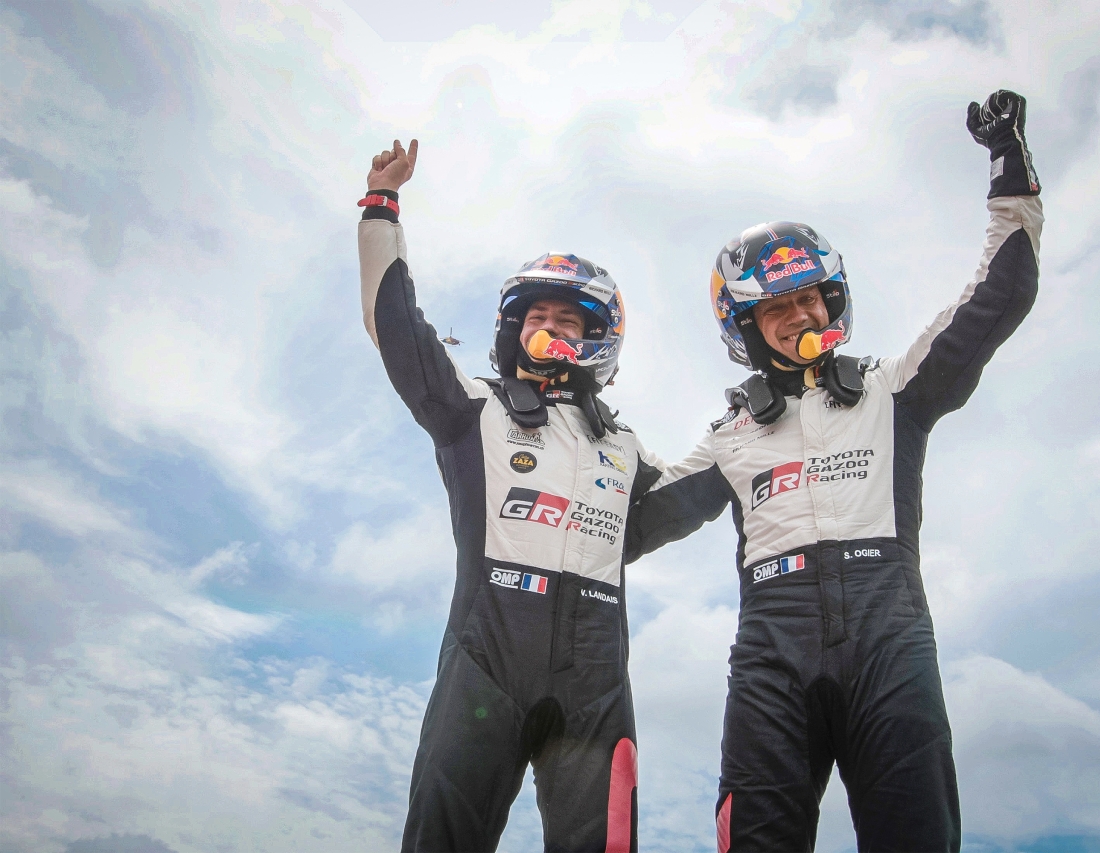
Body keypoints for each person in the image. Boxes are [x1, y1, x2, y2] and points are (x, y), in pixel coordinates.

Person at [624, 90, 1044, 852]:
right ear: (746, 327)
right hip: (771, 652)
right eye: (777, 307)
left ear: (832, 298)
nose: (801, 315)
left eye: (810, 296)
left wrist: (1007, 167)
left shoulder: (894, 389)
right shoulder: (728, 437)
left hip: (890, 637)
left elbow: (1000, 295)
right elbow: (629, 524)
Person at [359, 138, 661, 853]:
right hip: (483, 667)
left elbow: (723, 478)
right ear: (512, 330)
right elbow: (394, 330)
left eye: (567, 320)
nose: (548, 328)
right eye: (536, 317)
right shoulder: (472, 408)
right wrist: (380, 208)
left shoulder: (629, 449)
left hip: (595, 689)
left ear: (598, 339)